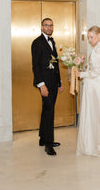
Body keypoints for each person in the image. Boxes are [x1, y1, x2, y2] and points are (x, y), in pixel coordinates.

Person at [77, 25, 100, 157]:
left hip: (94, 84)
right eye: (88, 37)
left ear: (99, 35)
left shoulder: (98, 50)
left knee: (94, 113)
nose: (89, 40)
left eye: (91, 37)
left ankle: (94, 145)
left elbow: (95, 72)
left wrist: (81, 74)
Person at [31, 18, 64, 156]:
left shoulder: (52, 41)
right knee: (50, 111)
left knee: (47, 109)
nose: (49, 27)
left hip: (53, 82)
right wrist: (41, 85)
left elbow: (55, 64)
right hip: (44, 83)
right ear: (41, 27)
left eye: (51, 25)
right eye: (46, 25)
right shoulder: (37, 43)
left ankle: (43, 138)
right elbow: (36, 66)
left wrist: (59, 83)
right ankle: (49, 144)